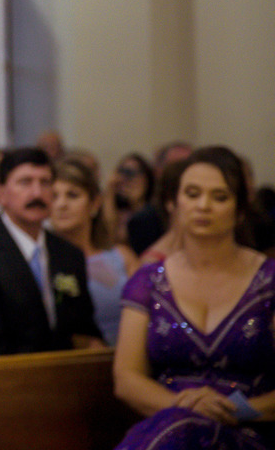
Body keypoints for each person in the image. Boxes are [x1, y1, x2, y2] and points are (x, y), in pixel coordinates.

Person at [112, 145, 275, 449]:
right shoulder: (148, 281)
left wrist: (232, 411)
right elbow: (127, 379)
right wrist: (183, 406)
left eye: (220, 197)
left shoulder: (270, 280)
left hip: (250, 430)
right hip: (167, 426)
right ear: (173, 203)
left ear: (240, 208)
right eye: (192, 193)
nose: (203, 205)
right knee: (179, 429)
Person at [0, 147, 103, 358]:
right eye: (25, 182)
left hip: (66, 378)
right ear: (1, 194)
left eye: (45, 183)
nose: (37, 193)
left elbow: (84, 327)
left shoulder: (68, 254)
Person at [49, 158, 139, 344]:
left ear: (95, 203)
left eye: (72, 195)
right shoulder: (42, 261)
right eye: (54, 196)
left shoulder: (121, 256)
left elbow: (148, 313)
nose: (61, 205)